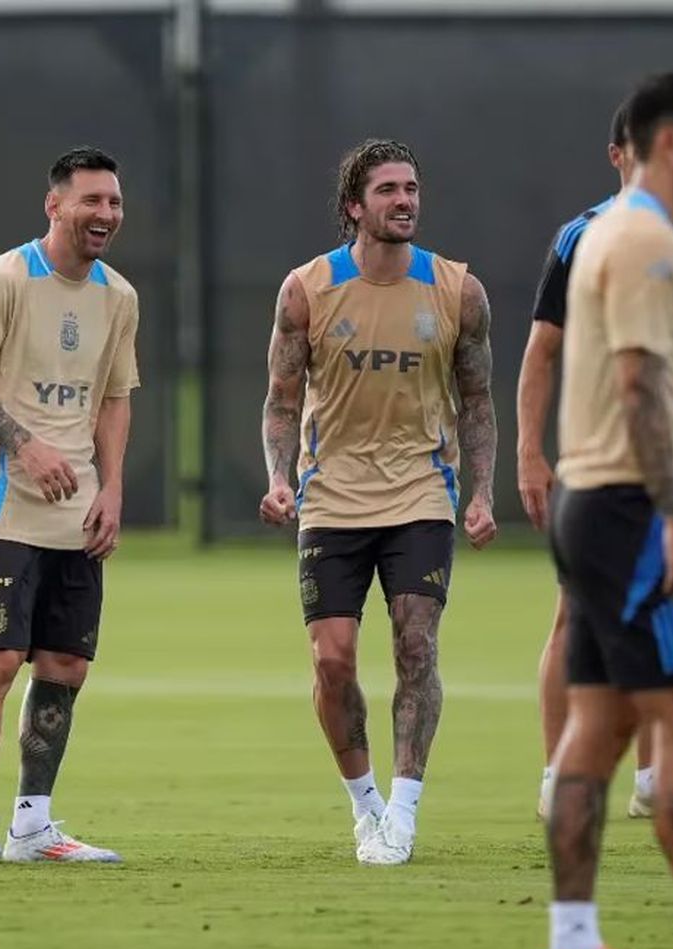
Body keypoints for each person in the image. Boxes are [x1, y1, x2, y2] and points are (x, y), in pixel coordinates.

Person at [258, 139, 498, 866]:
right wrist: (279, 475)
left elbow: (479, 400)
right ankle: (365, 805)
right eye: (389, 190)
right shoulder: (307, 289)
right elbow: (280, 400)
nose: (405, 201)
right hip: (331, 498)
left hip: (421, 493)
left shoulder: (459, 291)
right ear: (354, 207)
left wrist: (482, 491)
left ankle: (404, 811)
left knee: (415, 644)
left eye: (412, 188)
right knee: (333, 663)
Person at [540, 70, 673, 949]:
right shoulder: (647, 240)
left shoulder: (608, 231)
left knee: (595, 730)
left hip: (592, 502)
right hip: (637, 509)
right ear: (671, 141)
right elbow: (639, 386)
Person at [0, 146, 138, 864]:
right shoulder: (1, 280)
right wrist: (24, 448)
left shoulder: (120, 297)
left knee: (64, 667)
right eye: (92, 201)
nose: (106, 215)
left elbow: (115, 397)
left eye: (114, 202)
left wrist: (112, 488)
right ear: (54, 205)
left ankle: (33, 824)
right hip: (5, 510)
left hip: (79, 514)